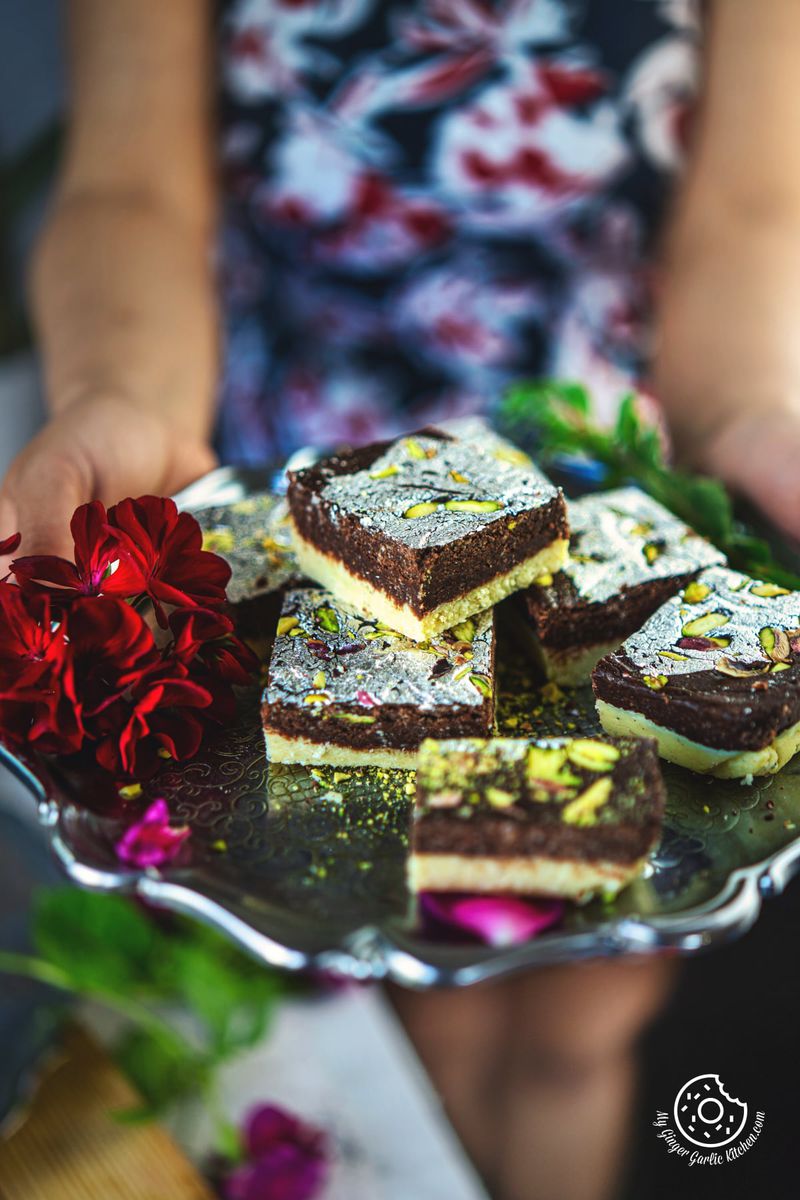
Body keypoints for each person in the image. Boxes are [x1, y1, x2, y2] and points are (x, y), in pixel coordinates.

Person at [2, 3, 799, 1198]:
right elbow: (131, 192)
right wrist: (122, 393)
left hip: (604, 486)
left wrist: (753, 423)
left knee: (572, 1036)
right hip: (300, 487)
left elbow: (746, 211)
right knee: (403, 1023)